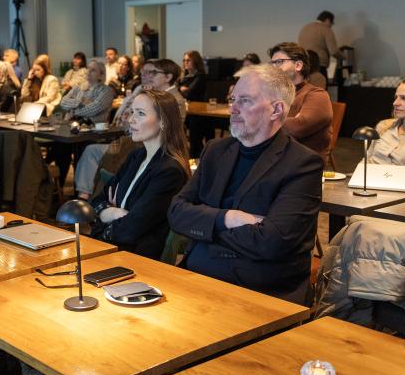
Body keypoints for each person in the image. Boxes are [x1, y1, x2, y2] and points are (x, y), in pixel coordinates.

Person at [169, 64, 323, 304]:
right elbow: (176, 213)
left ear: (276, 110)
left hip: (260, 290)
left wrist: (206, 226)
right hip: (197, 275)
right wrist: (228, 218)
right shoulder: (216, 150)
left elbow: (271, 242)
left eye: (245, 101)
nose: (233, 109)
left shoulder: (302, 164)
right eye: (233, 100)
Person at [90, 90, 189, 259]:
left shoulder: (170, 171)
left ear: (163, 121)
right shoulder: (136, 156)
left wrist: (102, 220)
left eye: (140, 114)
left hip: (136, 257)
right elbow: (97, 201)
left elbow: (131, 230)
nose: (131, 119)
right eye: (133, 111)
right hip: (113, 246)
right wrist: (114, 213)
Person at [74, 59, 184, 199]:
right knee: (95, 154)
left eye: (153, 73)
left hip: (143, 146)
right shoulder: (148, 94)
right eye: (145, 72)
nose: (148, 76)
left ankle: (91, 196)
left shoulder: (173, 100)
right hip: (136, 144)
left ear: (168, 77)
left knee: (103, 155)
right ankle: (88, 196)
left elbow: (170, 131)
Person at [269, 42, 333, 164]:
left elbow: (297, 128)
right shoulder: (274, 95)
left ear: (298, 65)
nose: (273, 68)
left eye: (279, 62)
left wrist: (264, 120)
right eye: (272, 63)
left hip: (302, 167)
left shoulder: (316, 95)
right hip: (274, 162)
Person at [367, 77, 405, 165]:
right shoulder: (383, 126)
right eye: (396, 97)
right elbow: (367, 160)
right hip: (369, 177)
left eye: (404, 98)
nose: (395, 103)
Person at [298, 10, 341, 77]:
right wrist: (344, 57)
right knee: (320, 86)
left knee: (306, 87)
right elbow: (334, 51)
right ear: (327, 20)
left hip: (304, 65)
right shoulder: (326, 29)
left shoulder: (305, 28)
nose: (331, 25)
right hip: (319, 66)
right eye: (331, 23)